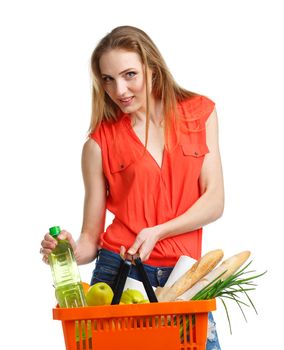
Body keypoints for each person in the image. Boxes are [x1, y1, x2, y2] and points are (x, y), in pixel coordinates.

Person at [40, 26, 224, 349]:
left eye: (129, 75)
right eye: (108, 79)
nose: (119, 90)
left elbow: (215, 201)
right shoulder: (99, 144)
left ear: (152, 67)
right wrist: (67, 250)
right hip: (119, 274)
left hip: (185, 278)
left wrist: (159, 231)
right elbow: (90, 239)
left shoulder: (199, 114)